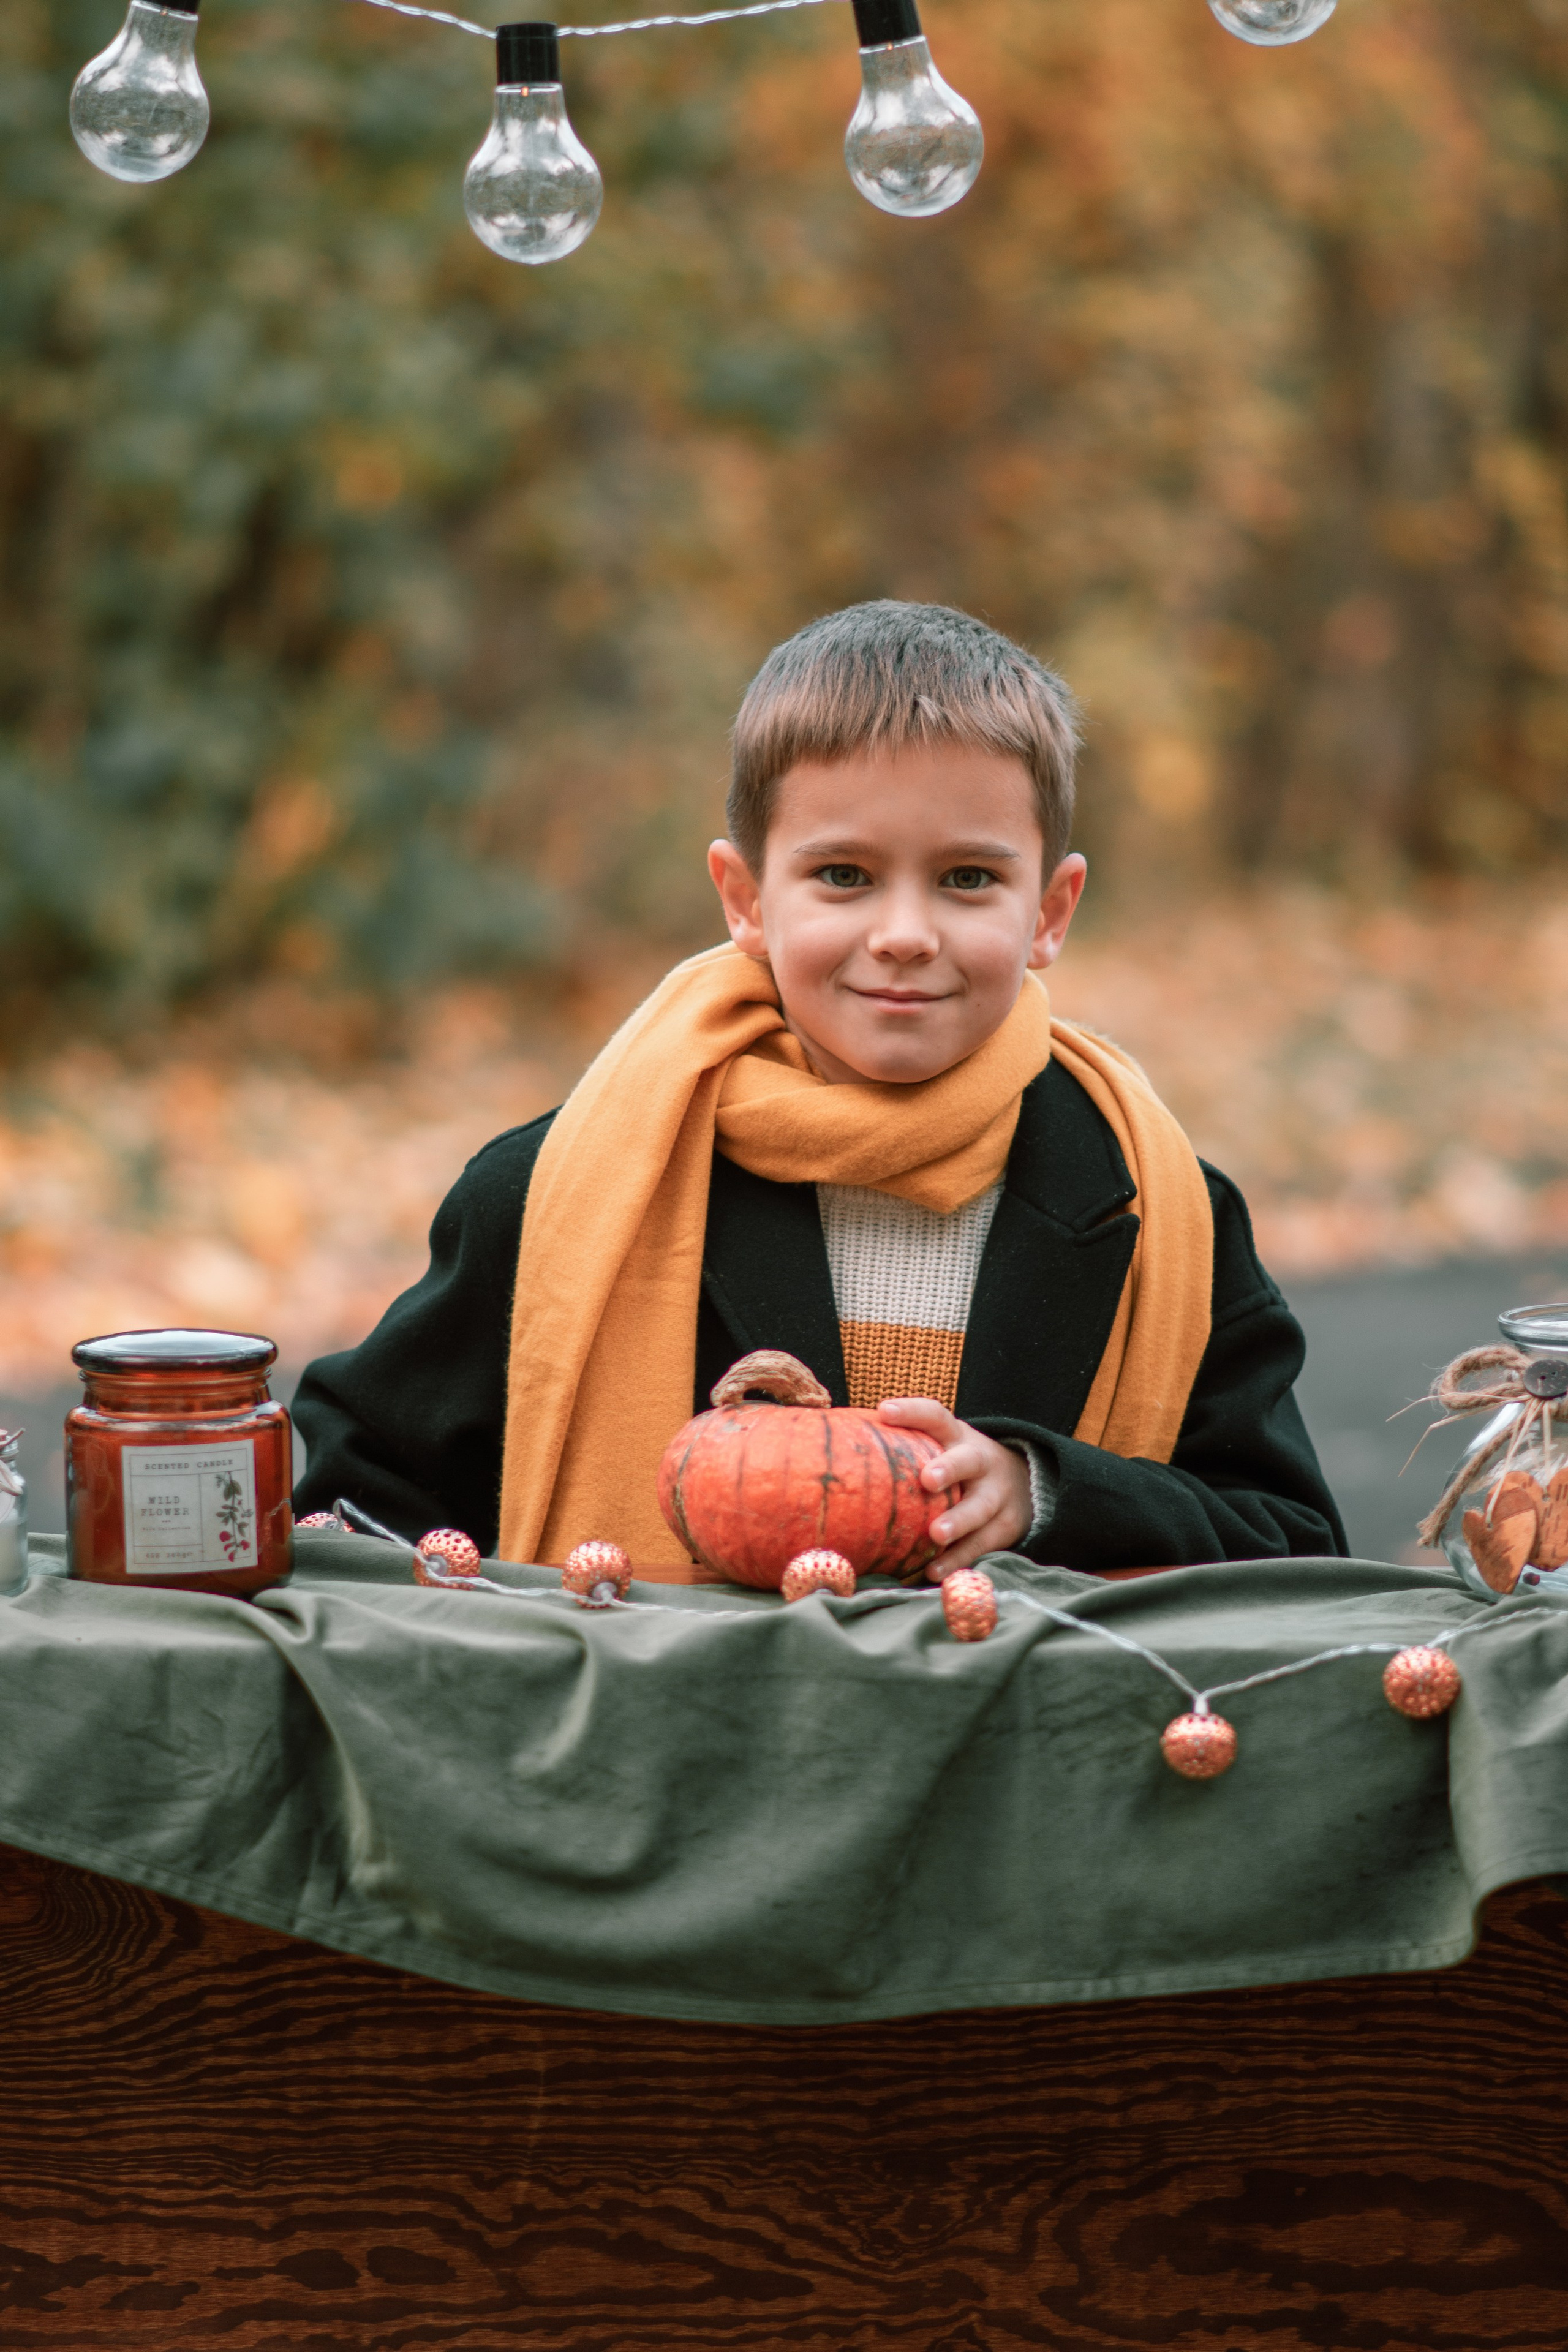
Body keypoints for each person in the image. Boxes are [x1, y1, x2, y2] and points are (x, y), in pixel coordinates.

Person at [292, 601, 1345, 1575]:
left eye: (968, 879)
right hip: (677, 1760)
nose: (903, 935)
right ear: (745, 899)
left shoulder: (1165, 1214)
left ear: (1049, 912)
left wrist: (1052, 1495)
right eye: (843, 875)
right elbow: (360, 1504)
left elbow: (1294, 1544)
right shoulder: (559, 1193)